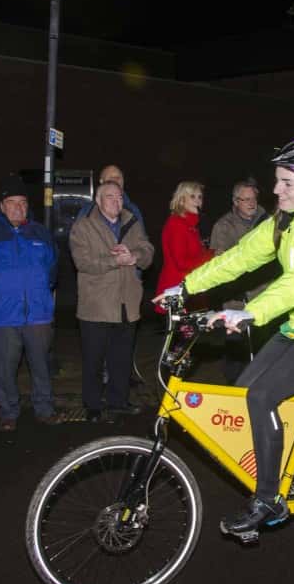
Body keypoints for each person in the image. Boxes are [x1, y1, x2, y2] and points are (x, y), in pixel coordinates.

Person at [155, 138, 294, 541]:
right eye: (277, 182)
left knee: (263, 396)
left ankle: (269, 498)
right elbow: (239, 258)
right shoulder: (285, 220)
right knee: (245, 390)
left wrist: (254, 311)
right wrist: (183, 288)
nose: (276, 191)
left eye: (286, 183)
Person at [0, 175, 60, 431]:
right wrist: (0, 290)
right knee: (5, 368)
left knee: (41, 366)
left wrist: (41, 290)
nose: (18, 207)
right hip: (5, 316)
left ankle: (45, 409)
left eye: (22, 202)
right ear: (1, 206)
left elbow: (54, 269)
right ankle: (8, 412)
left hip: (39, 314)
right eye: (11, 202)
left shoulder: (41, 233)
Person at [70, 179, 154, 424]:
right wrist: (114, 260)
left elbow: (148, 252)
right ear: (98, 200)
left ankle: (118, 402)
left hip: (127, 304)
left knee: (122, 358)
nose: (116, 201)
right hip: (96, 306)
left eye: (119, 196)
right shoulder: (84, 226)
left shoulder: (132, 222)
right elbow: (82, 262)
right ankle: (93, 405)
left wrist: (134, 257)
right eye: (109, 197)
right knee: (94, 360)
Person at [209, 178, 273, 383]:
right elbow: (220, 262)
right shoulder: (223, 226)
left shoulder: (270, 220)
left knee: (266, 349)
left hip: (266, 297)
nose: (251, 203)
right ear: (235, 201)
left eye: (253, 198)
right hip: (237, 299)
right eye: (245, 200)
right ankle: (234, 392)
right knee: (237, 352)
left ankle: (263, 389)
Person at [154, 181, 213, 313]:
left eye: (200, 197)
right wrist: (211, 255)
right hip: (178, 292)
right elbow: (182, 263)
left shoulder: (191, 225)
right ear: (181, 200)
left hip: (189, 291)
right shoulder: (176, 225)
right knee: (186, 332)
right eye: (192, 197)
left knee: (195, 332)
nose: (197, 201)